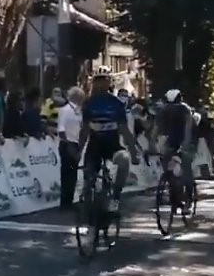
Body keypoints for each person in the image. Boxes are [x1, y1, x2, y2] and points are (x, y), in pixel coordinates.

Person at [78, 73, 139, 213]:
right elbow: (84, 130)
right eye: (97, 82)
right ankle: (87, 198)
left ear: (109, 84)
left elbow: (125, 130)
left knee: (124, 160)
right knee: (89, 179)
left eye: (104, 81)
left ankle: (116, 197)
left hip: (112, 146)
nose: (100, 85)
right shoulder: (88, 103)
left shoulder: (116, 103)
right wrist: (79, 151)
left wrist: (133, 153)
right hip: (94, 147)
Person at [152, 89, 195, 208]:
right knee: (184, 170)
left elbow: (156, 130)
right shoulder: (184, 109)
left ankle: (178, 198)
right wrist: (186, 143)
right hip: (179, 142)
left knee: (172, 170)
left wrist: (152, 145)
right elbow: (188, 128)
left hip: (171, 142)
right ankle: (185, 198)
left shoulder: (163, 110)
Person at [57, 86, 85, 210]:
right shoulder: (65, 110)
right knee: (66, 174)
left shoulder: (79, 111)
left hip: (75, 143)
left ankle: (70, 201)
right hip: (67, 144)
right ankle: (65, 203)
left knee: (73, 174)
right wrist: (68, 145)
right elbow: (61, 130)